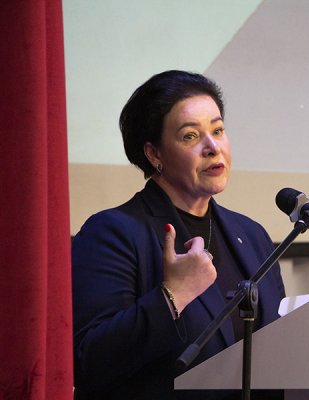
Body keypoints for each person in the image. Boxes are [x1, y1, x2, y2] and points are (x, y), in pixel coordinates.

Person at [72, 70, 286, 399]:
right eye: (190, 136)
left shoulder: (252, 236)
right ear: (154, 154)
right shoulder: (113, 232)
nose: (213, 147)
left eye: (218, 130)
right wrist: (173, 296)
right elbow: (89, 361)